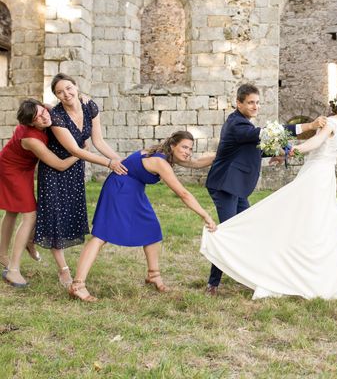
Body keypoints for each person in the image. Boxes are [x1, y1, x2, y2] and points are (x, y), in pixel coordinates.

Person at [200, 90, 337, 300]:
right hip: (225, 186)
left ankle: (253, 274)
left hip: (238, 187)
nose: (255, 106)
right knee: (229, 231)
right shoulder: (236, 124)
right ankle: (213, 283)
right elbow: (265, 135)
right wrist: (307, 129)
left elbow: (258, 147)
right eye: (250, 103)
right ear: (238, 103)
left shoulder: (243, 123)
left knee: (248, 230)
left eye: (257, 102)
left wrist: (282, 152)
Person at [68, 131, 216, 302]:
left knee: (151, 228)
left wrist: (224, 153)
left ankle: (154, 275)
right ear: (173, 145)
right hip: (120, 189)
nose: (187, 152)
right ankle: (77, 285)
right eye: (184, 147)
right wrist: (206, 216)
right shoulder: (160, 161)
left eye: (190, 148)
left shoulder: (164, 154)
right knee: (101, 235)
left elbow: (196, 163)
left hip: (133, 189)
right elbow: (183, 193)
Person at [35, 73, 127, 288]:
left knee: (69, 215)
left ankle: (32, 238)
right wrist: (108, 164)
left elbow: (98, 141)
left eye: (68, 88)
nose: (66, 94)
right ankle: (64, 271)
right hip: (55, 170)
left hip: (75, 169)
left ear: (76, 87)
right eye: (60, 92)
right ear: (56, 96)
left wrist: (118, 159)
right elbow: (75, 149)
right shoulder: (56, 117)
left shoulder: (90, 106)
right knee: (55, 219)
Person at [0, 99, 79, 287]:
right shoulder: (31, 138)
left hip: (23, 168)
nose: (44, 117)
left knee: (12, 211)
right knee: (30, 215)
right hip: (11, 169)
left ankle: (3, 253)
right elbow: (59, 165)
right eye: (38, 118)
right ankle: (13, 270)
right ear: (30, 123)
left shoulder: (45, 112)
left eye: (43, 111)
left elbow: (52, 106)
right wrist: (79, 153)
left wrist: (77, 99)